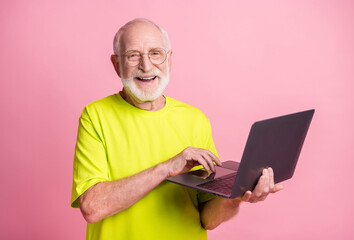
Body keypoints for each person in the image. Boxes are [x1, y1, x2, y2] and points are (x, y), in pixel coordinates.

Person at [71, 18, 283, 240]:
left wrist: (239, 195)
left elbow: (208, 218)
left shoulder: (195, 119)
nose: (146, 65)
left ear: (169, 60)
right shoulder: (95, 116)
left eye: (155, 53)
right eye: (133, 55)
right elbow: (92, 207)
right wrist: (166, 168)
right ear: (116, 64)